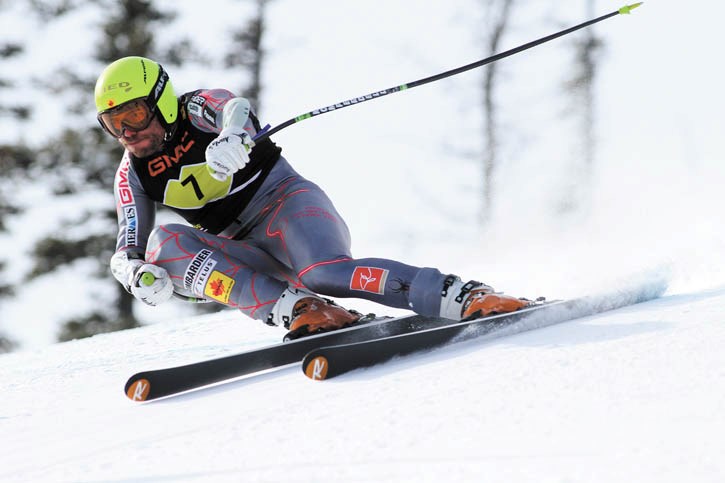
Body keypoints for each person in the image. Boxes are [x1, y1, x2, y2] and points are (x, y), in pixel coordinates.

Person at [95, 56, 531, 339]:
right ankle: (304, 309)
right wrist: (132, 272)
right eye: (113, 124)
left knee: (324, 271)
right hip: (245, 249)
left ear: (162, 101)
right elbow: (128, 243)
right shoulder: (130, 173)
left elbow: (234, 107)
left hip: (287, 209)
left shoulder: (194, 109)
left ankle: (461, 295)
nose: (127, 132)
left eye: (133, 114)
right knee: (163, 245)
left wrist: (230, 136)